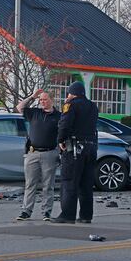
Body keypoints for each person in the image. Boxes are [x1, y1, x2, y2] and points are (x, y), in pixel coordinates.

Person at [52, 81, 99, 224]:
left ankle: (67, 214)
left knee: (69, 181)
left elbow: (65, 124)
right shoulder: (93, 106)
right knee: (86, 183)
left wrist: (60, 140)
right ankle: (86, 215)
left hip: (74, 149)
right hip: (91, 148)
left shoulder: (70, 105)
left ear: (71, 93)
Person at [16, 89, 61, 222]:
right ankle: (26, 211)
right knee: (30, 184)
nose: (42, 102)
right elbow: (20, 107)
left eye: (45, 99)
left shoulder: (58, 116)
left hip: (49, 153)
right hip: (32, 153)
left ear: (52, 100)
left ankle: (46, 212)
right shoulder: (35, 113)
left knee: (48, 185)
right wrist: (32, 97)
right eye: (40, 100)